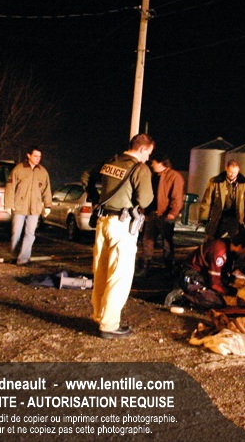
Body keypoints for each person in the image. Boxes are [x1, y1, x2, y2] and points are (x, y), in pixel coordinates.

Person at [91, 133, 155, 339]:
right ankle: (109, 325)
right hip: (122, 225)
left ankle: (99, 315)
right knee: (119, 274)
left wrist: (94, 197)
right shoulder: (140, 168)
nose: (148, 158)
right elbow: (145, 200)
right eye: (148, 153)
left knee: (101, 271)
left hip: (103, 222)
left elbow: (86, 176)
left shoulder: (111, 161)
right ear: (142, 149)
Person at [138, 153, 184, 277]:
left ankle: (169, 267)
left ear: (161, 163)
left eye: (154, 162)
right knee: (147, 241)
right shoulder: (153, 176)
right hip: (152, 214)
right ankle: (145, 266)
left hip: (165, 215)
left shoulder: (174, 176)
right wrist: (144, 211)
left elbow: (177, 196)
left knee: (166, 242)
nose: (152, 164)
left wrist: (173, 213)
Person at [4, 147, 52, 266]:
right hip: (19, 206)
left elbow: (47, 190)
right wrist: (8, 204)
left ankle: (23, 259)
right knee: (16, 232)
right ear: (29, 155)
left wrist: (47, 205)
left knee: (30, 234)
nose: (38, 159)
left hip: (34, 207)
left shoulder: (42, 171)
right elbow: (10, 187)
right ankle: (14, 255)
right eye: (35, 156)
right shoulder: (19, 169)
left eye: (39, 156)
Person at [199, 160, 245, 241]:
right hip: (219, 218)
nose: (232, 175)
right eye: (230, 172)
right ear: (226, 169)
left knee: (236, 242)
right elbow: (207, 201)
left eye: (235, 172)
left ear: (238, 170)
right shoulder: (216, 182)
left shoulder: (244, 185)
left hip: (236, 219)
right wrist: (203, 219)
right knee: (212, 241)